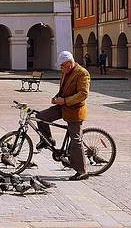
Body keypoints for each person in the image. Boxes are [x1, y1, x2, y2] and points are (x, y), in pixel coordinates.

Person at [35, 51, 90, 181]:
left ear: (70, 63)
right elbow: (63, 89)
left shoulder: (82, 73)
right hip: (62, 105)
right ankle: (47, 140)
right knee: (40, 117)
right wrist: (57, 97)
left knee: (76, 140)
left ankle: (82, 171)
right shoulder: (66, 71)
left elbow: (83, 94)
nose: (61, 69)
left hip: (75, 109)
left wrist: (65, 101)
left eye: (62, 66)